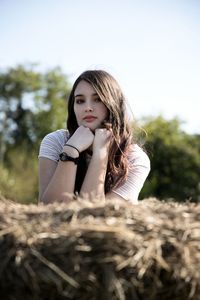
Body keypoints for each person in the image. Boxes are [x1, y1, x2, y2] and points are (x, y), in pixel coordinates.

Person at [38, 70, 150, 204]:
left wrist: (100, 153)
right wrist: (71, 150)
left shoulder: (135, 159)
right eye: (80, 101)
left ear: (113, 104)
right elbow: (50, 208)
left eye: (97, 99)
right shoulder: (56, 141)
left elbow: (94, 214)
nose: (88, 108)